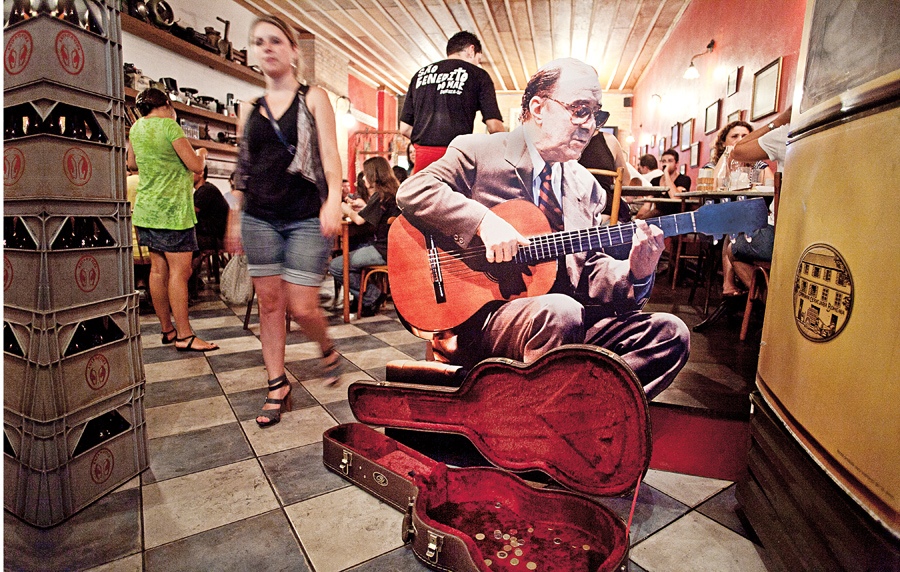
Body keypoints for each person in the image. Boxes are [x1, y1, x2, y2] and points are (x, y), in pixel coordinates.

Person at [396, 58, 690, 399]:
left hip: (564, 316)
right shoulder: (479, 151)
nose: (590, 125)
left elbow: (588, 268)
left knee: (671, 333)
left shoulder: (587, 186)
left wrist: (635, 272)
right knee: (560, 311)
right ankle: (553, 419)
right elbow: (413, 191)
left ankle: (567, 412)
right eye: (580, 110)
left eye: (597, 114)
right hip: (485, 319)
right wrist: (484, 223)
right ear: (538, 107)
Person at [225, 14, 343, 428]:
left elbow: (329, 155)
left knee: (303, 304)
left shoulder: (314, 97)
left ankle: (326, 345)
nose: (267, 48)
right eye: (259, 42)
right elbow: (243, 167)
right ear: (254, 52)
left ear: (293, 50)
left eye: (275, 40)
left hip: (304, 216)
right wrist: (235, 217)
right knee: (270, 305)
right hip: (259, 216)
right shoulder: (250, 108)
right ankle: (277, 386)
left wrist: (334, 201)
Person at [126, 87, 219, 353]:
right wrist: (201, 153)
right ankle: (186, 335)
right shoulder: (170, 127)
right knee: (180, 272)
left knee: (157, 270)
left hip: (147, 210)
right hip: (172, 212)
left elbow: (132, 164)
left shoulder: (136, 129)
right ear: (167, 104)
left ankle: (168, 330)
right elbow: (197, 167)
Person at [399, 31, 505, 173]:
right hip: (456, 158)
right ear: (471, 50)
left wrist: (427, 139)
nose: (477, 63)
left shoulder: (419, 75)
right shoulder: (478, 75)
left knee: (425, 195)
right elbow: (494, 127)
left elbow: (405, 128)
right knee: (456, 196)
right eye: (478, 59)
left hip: (423, 160)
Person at [705, 121, 774, 296]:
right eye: (734, 136)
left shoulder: (757, 165)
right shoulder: (714, 165)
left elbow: (771, 185)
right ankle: (728, 284)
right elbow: (713, 185)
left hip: (754, 216)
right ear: (723, 142)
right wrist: (729, 154)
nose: (740, 140)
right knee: (734, 221)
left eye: (745, 136)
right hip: (717, 216)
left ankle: (757, 292)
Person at [329, 156, 401, 316]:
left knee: (336, 265)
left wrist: (342, 206)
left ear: (374, 175)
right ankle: (361, 298)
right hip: (395, 248)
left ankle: (370, 297)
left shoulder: (380, 195)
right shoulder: (393, 193)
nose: (363, 177)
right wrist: (364, 206)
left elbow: (359, 220)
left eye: (365, 172)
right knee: (356, 246)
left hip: (383, 250)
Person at [189, 166, 230, 298]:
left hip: (216, 237)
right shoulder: (203, 190)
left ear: (200, 173)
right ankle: (189, 283)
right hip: (212, 233)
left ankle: (188, 286)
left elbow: (190, 213)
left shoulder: (206, 190)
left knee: (187, 246)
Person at [578, 129, 631, 223]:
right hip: (606, 214)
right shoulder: (609, 140)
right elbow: (625, 181)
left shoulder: (560, 141)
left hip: (569, 216)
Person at [635, 148, 691, 219]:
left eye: (670, 161)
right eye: (664, 161)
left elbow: (675, 197)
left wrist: (666, 173)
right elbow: (647, 205)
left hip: (676, 217)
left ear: (676, 164)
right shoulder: (655, 181)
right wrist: (637, 219)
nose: (666, 164)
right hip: (658, 216)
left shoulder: (684, 179)